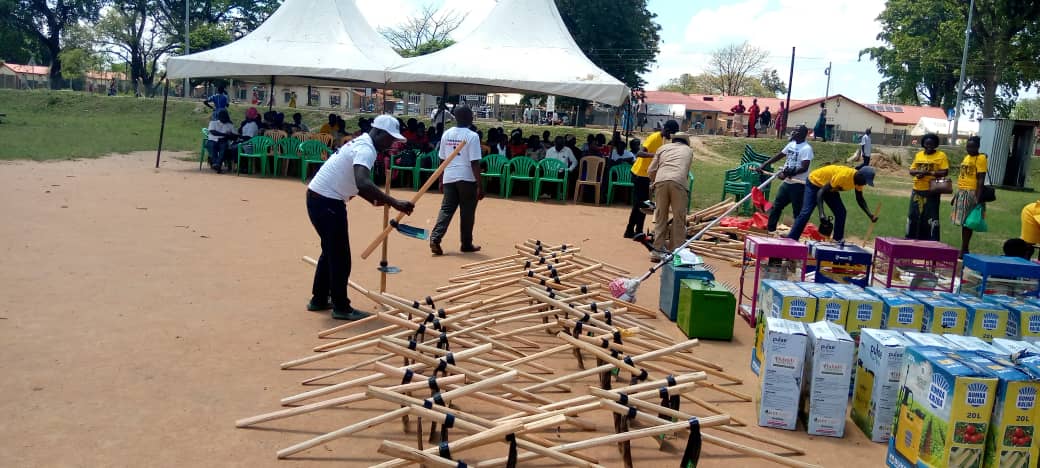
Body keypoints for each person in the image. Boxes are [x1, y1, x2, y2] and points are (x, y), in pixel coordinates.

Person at [306, 115, 415, 320]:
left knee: (330, 251)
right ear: (379, 133)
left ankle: (319, 299)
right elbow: (363, 182)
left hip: (320, 199)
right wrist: (393, 202)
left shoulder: (362, 143)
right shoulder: (366, 149)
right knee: (340, 256)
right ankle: (341, 307)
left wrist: (373, 199)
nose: (391, 143)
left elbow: (358, 184)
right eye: (390, 138)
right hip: (327, 202)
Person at [430, 106, 483, 256]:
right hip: (466, 178)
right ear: (468, 117)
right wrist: (480, 185)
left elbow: (442, 160)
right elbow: (474, 163)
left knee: (446, 209)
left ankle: (435, 238)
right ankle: (466, 244)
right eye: (471, 115)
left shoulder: (447, 134)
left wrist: (441, 180)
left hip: (449, 177)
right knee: (467, 212)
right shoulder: (472, 136)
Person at [787, 165, 879, 241]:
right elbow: (820, 192)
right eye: (865, 181)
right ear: (860, 175)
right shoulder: (844, 176)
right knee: (806, 212)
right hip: (815, 182)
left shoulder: (859, 182)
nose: (865, 184)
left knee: (841, 212)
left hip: (830, 188)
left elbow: (860, 199)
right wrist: (821, 214)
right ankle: (791, 239)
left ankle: (837, 240)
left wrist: (870, 214)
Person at [625, 120, 679, 238]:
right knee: (641, 204)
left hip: (647, 176)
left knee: (642, 206)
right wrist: (655, 155)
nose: (673, 136)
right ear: (668, 130)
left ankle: (637, 230)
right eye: (673, 133)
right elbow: (639, 153)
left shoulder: (665, 141)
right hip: (639, 174)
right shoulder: (654, 137)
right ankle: (630, 230)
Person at [647, 132, 694, 260]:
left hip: (661, 181)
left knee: (661, 216)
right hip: (678, 183)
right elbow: (685, 171)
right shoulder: (688, 151)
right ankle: (676, 251)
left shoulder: (662, 148)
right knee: (679, 217)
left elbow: (651, 170)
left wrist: (653, 181)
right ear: (686, 142)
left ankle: (657, 251)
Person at [760, 125, 814, 234]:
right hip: (787, 183)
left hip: (798, 184)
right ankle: (771, 230)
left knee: (797, 211)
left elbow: (804, 167)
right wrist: (764, 165)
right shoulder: (791, 144)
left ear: (803, 134)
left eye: (797, 131)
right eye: (794, 130)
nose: (794, 132)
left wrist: (788, 173)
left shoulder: (806, 149)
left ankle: (796, 235)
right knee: (776, 207)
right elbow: (779, 155)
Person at [907, 133, 949, 241]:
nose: (929, 147)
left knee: (930, 217)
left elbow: (945, 171)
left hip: (932, 190)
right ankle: (912, 240)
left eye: (932, 144)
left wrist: (928, 173)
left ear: (936, 145)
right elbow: (911, 170)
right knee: (914, 215)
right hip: (917, 189)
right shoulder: (919, 155)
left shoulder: (941, 155)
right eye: (927, 144)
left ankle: (931, 242)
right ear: (923, 144)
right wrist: (919, 172)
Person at [951, 136, 989, 256]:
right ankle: (964, 248)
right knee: (963, 222)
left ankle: (964, 249)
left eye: (972, 147)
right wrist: (956, 195)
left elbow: (981, 178)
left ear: (978, 147)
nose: (969, 149)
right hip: (962, 191)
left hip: (972, 192)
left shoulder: (981, 158)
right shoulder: (967, 157)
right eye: (968, 146)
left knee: (968, 223)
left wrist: (977, 197)